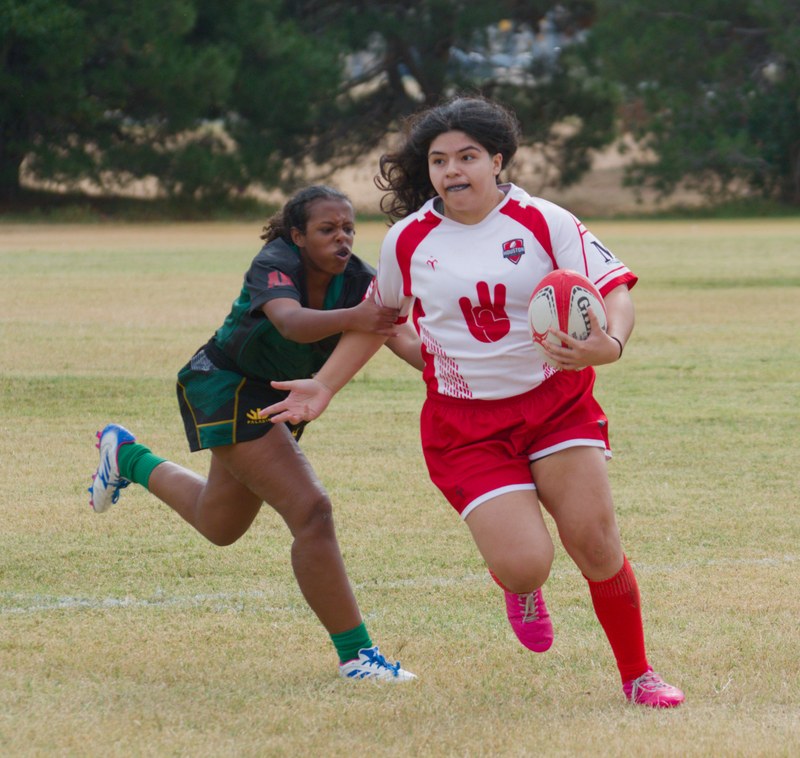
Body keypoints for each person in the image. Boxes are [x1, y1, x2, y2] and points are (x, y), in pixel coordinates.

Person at [263, 97, 685, 707]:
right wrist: (325, 384)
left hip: (556, 404)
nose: (452, 170)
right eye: (438, 160)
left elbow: (612, 290)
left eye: (466, 156)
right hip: (466, 426)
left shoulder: (544, 221)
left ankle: (640, 675)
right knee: (524, 564)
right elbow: (381, 321)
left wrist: (609, 345)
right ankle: (519, 586)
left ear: (497, 159)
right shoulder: (408, 240)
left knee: (595, 542)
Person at [88, 185, 422, 682]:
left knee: (218, 525)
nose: (343, 239)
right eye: (327, 230)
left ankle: (126, 457)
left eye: (349, 228)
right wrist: (359, 318)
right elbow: (290, 323)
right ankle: (358, 657)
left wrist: (465, 369)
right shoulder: (275, 260)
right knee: (313, 510)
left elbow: (403, 338)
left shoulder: (358, 280)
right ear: (297, 235)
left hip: (283, 397)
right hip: (225, 383)